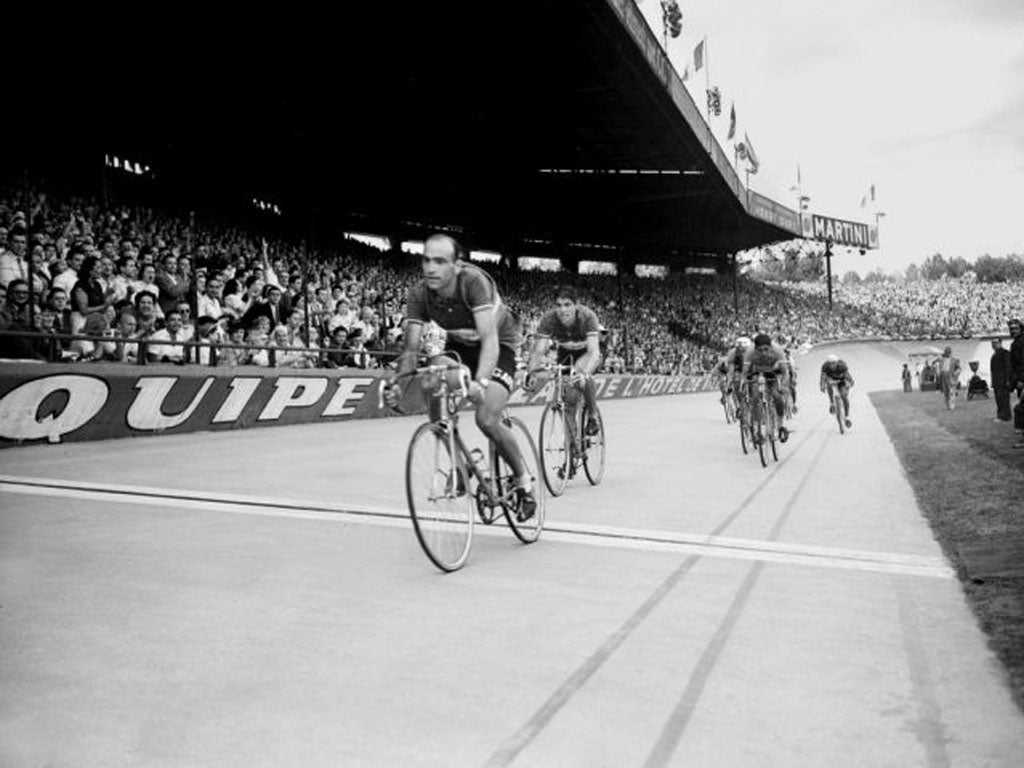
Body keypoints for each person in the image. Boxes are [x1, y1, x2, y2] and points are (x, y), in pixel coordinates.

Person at [384, 233, 536, 520]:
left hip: (497, 346)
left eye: (440, 261)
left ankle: (523, 482)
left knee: (486, 419)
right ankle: (460, 463)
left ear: (456, 265)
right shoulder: (419, 294)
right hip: (459, 348)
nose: (431, 268)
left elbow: (489, 341)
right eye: (427, 260)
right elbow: (411, 349)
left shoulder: (473, 282)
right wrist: (398, 385)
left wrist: (480, 382)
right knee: (430, 379)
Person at [524, 285, 603, 437]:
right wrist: (530, 372)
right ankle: (573, 446)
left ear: (576, 305)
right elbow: (539, 350)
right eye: (559, 305)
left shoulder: (587, 317)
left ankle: (593, 416)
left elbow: (594, 352)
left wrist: (585, 373)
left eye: (567, 305)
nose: (562, 310)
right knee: (570, 401)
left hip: (586, 352)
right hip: (565, 352)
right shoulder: (549, 318)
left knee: (581, 376)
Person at [742, 333, 791, 442]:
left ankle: (780, 425)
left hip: (774, 372)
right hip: (758, 373)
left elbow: (785, 372)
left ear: (771, 347)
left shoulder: (777, 350)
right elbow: (745, 373)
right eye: (760, 350)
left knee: (777, 396)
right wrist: (743, 384)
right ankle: (756, 430)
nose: (763, 353)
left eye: (766, 349)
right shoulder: (749, 352)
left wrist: (783, 385)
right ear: (755, 348)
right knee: (755, 398)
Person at [820, 353, 854, 428]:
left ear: (837, 363)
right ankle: (832, 403)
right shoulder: (825, 367)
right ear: (828, 364)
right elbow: (822, 377)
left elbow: (847, 375)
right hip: (831, 380)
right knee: (828, 385)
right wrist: (822, 385)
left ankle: (847, 416)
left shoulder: (842, 366)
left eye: (834, 364)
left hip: (841, 381)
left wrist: (851, 381)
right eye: (830, 364)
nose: (832, 366)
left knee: (844, 396)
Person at [1008, 318, 1024, 448]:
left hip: (1022, 381)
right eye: (1012, 329)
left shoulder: (1020, 343)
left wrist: (1021, 380)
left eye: (1016, 328)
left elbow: (1022, 363)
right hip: (1019, 380)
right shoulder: (1017, 342)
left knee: (1021, 408)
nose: (1013, 331)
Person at [990, 338, 1011, 422]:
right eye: (992, 343)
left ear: (1000, 343)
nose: (994, 344)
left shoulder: (1004, 353)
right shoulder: (995, 354)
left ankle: (1004, 416)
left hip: (1003, 380)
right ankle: (1001, 415)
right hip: (996, 380)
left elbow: (1008, 367)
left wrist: (1008, 380)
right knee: (998, 398)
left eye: (995, 343)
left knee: (1004, 398)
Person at [937, 345, 962, 410]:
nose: (947, 353)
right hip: (943, 378)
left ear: (950, 352)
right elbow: (940, 369)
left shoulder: (955, 360)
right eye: (946, 352)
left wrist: (956, 373)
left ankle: (952, 406)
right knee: (946, 392)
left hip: (951, 378)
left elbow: (959, 368)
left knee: (952, 392)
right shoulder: (941, 360)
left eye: (948, 352)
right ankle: (947, 406)